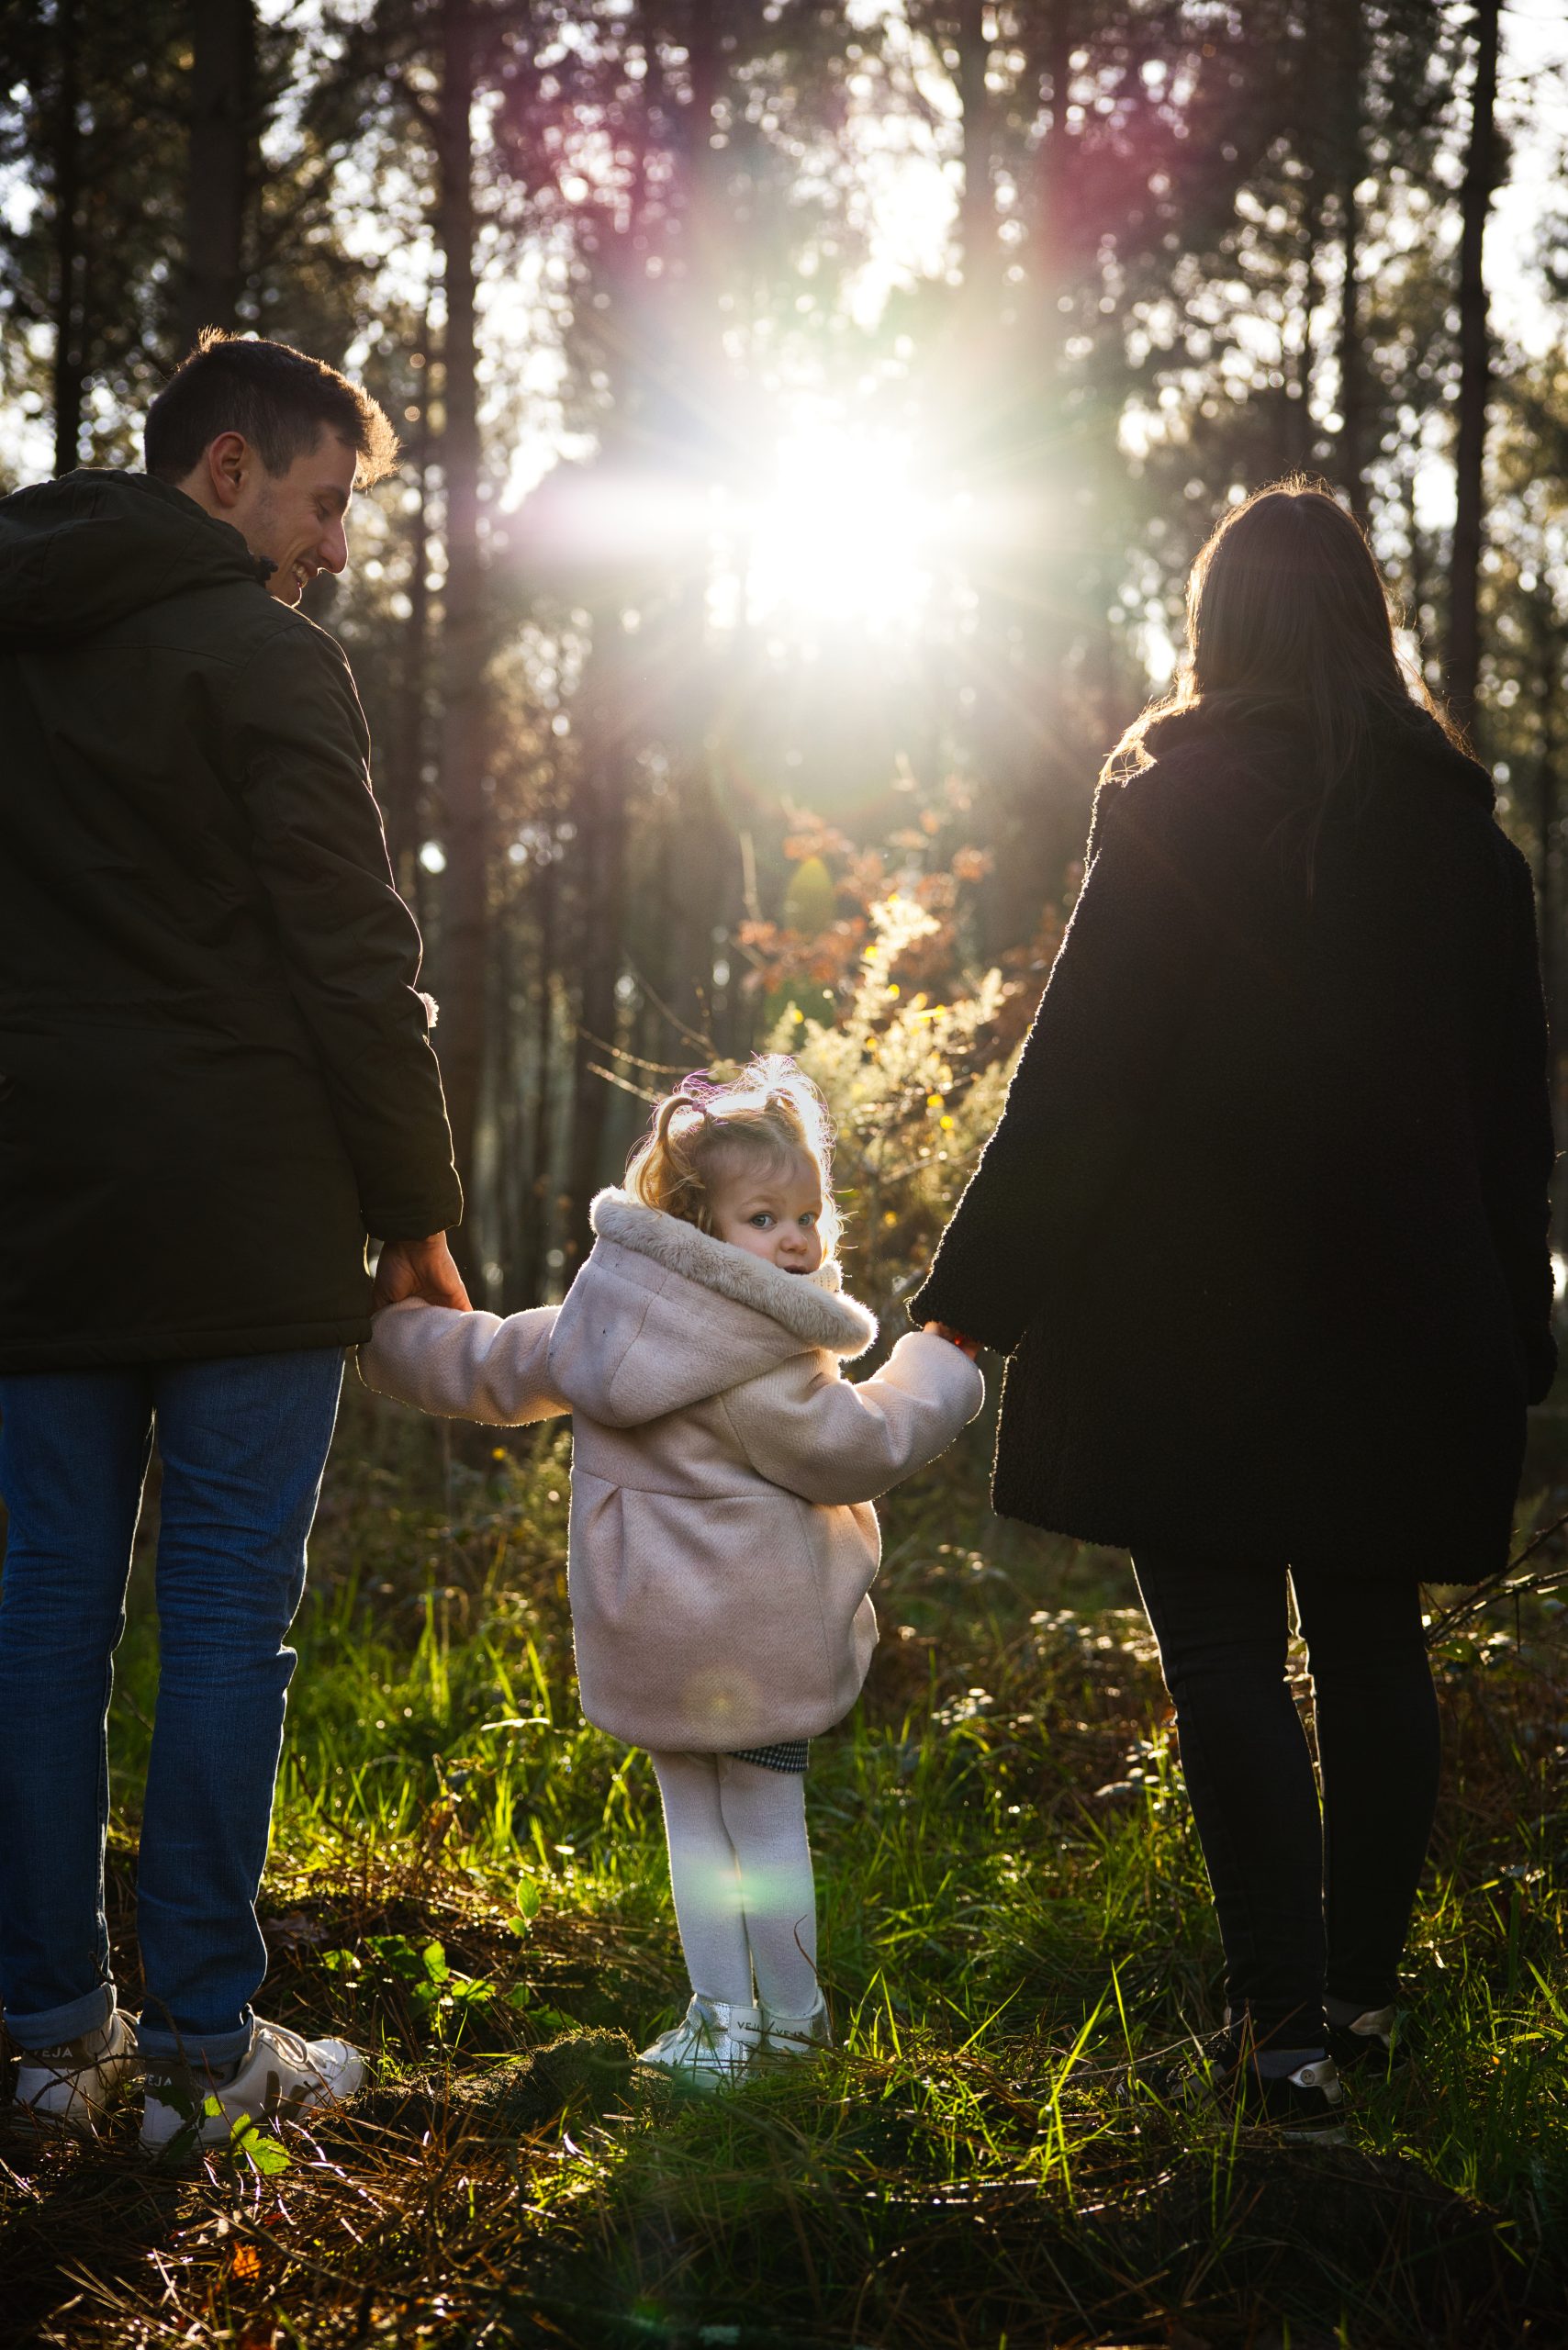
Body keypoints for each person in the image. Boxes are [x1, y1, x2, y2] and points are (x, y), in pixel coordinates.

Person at [914, 479, 1556, 2132]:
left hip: (1182, 1320)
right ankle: (1359, 2006)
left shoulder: (1177, 803)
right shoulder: (1466, 843)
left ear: (1215, 632)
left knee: (1219, 1650)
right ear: (1367, 626)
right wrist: (1512, 1340)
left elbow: (1080, 1084)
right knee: (1368, 1646)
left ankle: (1279, 2039)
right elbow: (1512, 1121)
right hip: (1408, 1321)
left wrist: (962, 1315)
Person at [0, 331, 468, 2151]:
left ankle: (39, 2039)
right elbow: (354, 953)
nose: (335, 545)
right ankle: (200, 2056)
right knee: (218, 1623)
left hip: (36, 1204)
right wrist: (414, 1207)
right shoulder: (265, 653)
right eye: (324, 498)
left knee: (40, 1610)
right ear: (226, 473)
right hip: (249, 1203)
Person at [363, 1058, 983, 2085]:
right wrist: (941, 1366)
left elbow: (486, 1364)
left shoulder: (595, 1323)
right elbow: (862, 1445)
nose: (793, 1238)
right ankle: (788, 2028)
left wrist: (389, 1332)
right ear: (697, 1221)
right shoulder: (762, 1361)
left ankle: (718, 2021)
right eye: (763, 1216)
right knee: (765, 1828)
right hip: (758, 1637)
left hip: (647, 1633)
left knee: (696, 1832)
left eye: (805, 1215)